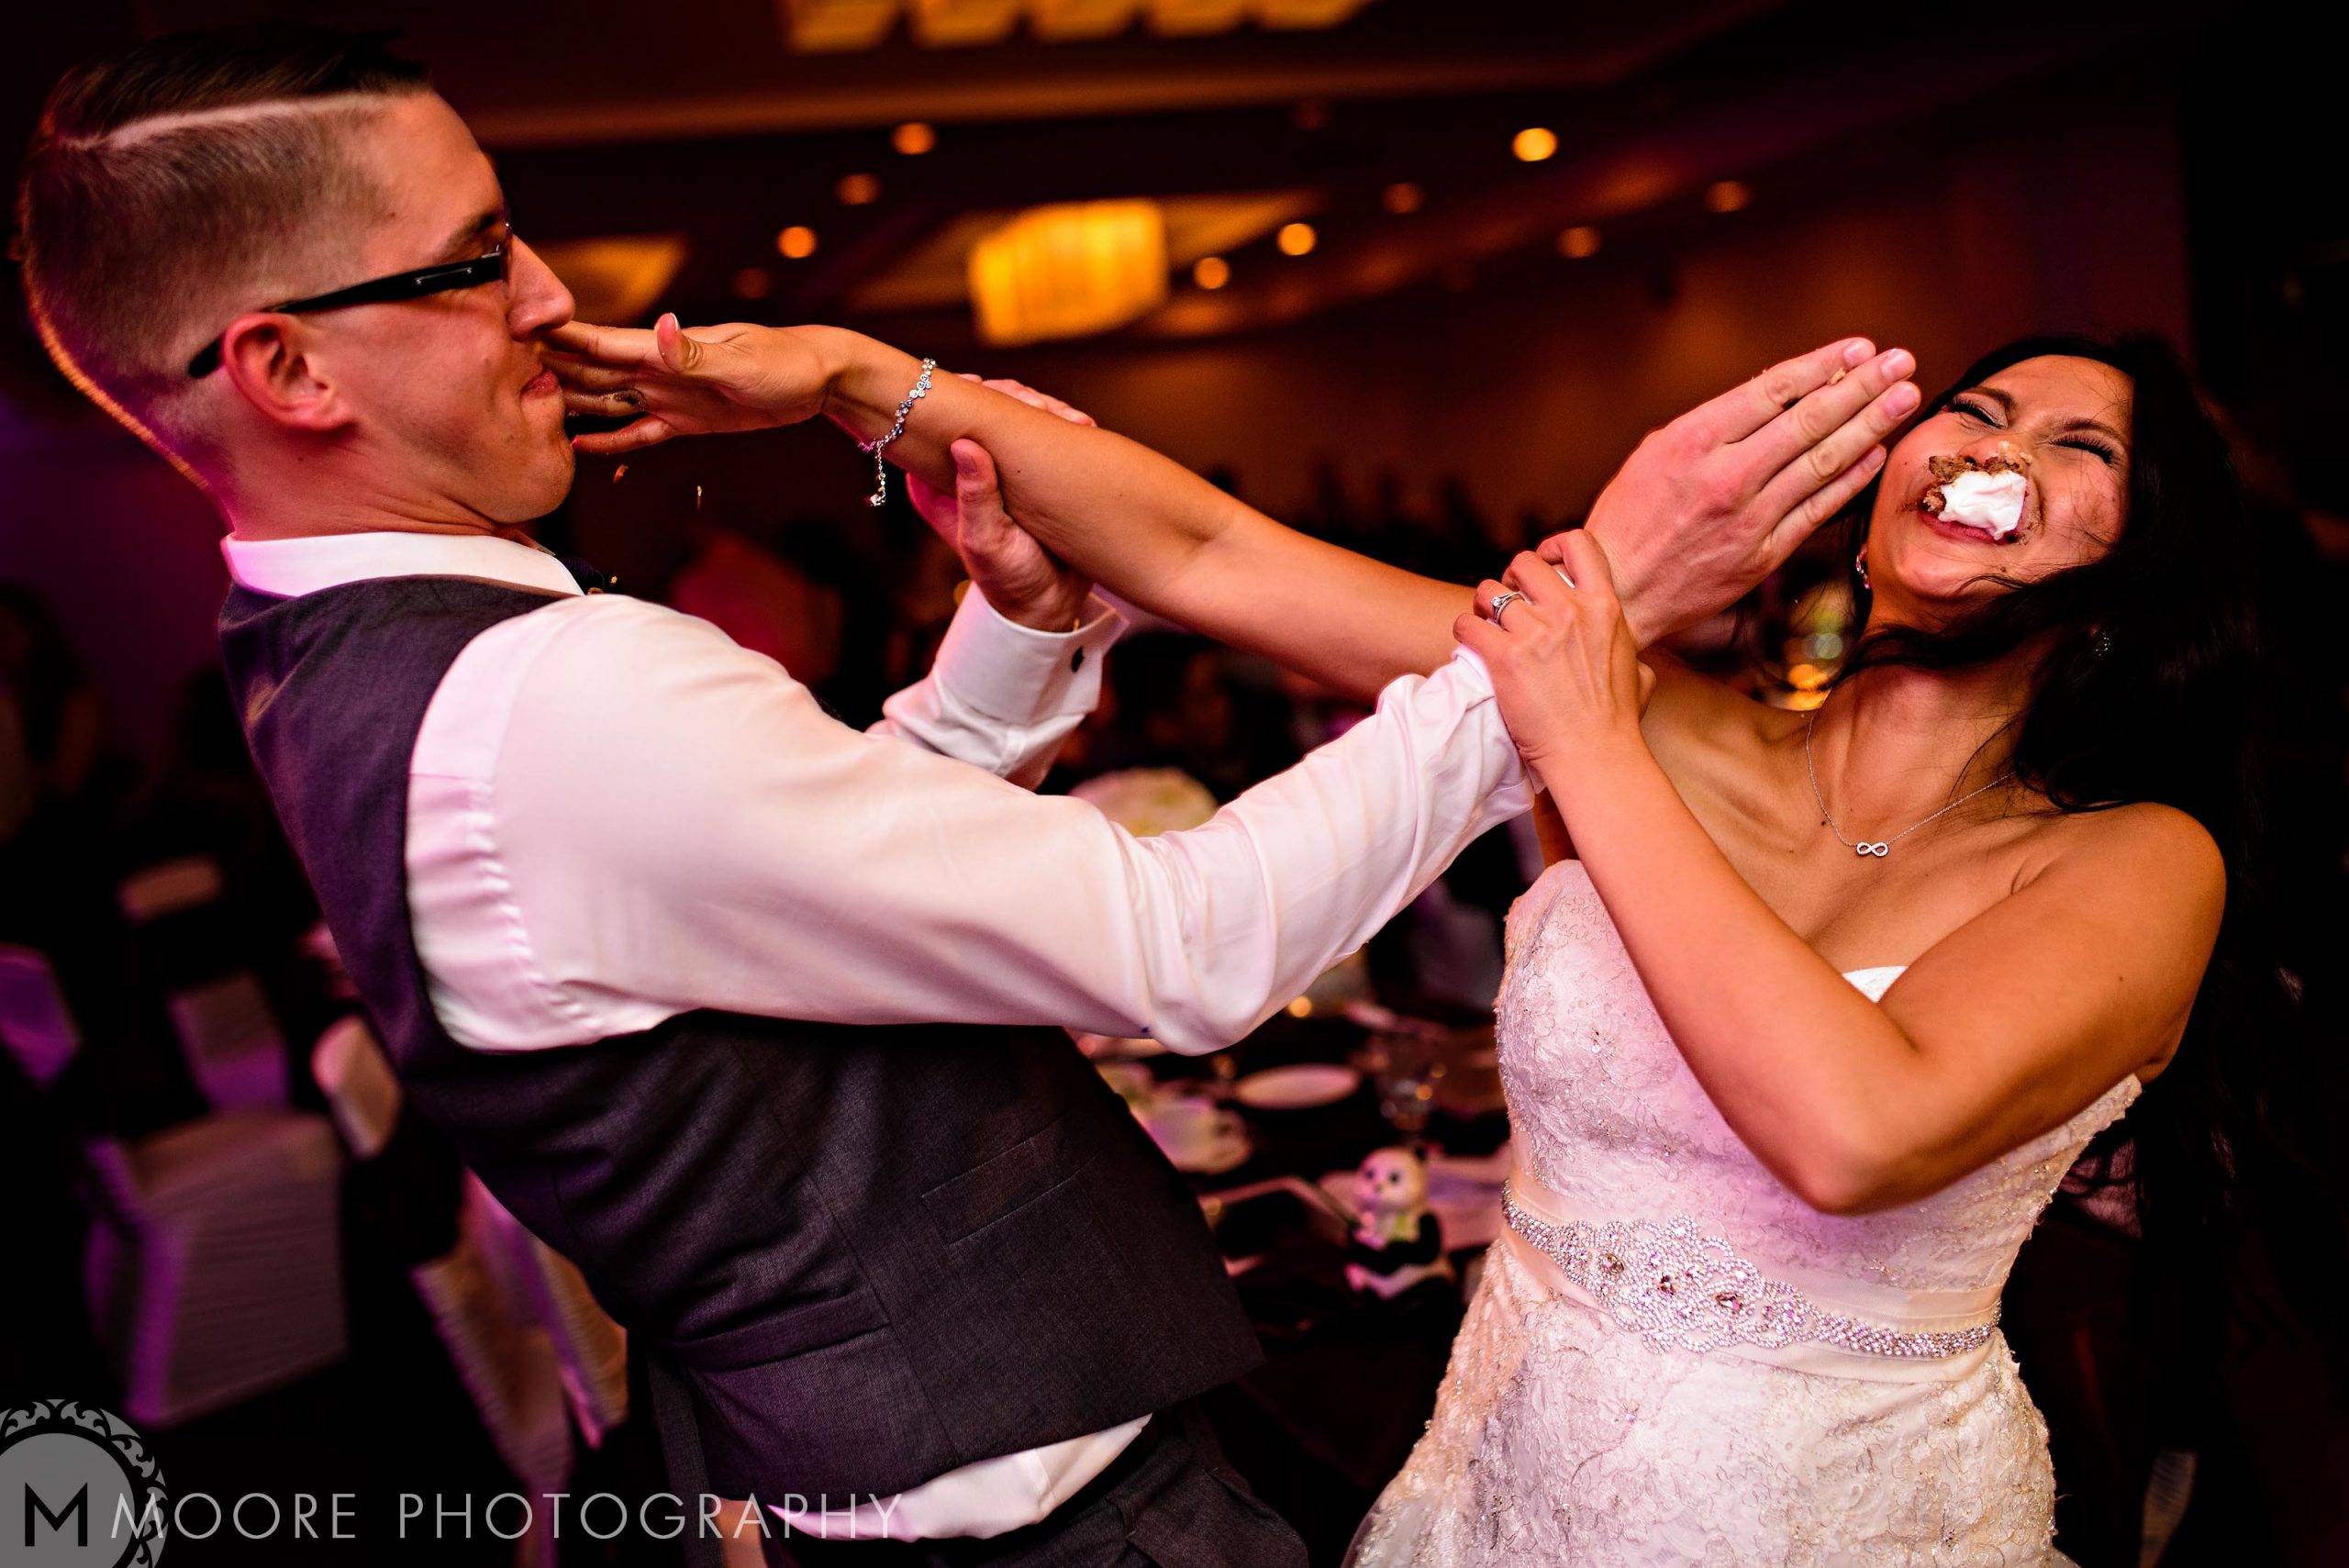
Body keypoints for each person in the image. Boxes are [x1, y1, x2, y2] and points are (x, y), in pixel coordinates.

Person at [16, 24, 1913, 1566]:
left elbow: (773, 895)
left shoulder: (329, 657)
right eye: (473, 253)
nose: (545, 293)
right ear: (284, 366)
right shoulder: (543, 692)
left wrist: (1001, 645)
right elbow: (1190, 950)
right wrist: (1591, 620)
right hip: (1031, 1520)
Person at [1338, 335, 2305, 1563]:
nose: (1998, 448)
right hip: (1499, 1498)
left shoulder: (2145, 862)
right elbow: (1211, 560)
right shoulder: (1648, 710)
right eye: (1980, 411)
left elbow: (1854, 1134)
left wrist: (1592, 743)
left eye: (2081, 446)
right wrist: (1014, 439)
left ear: (2137, 577)